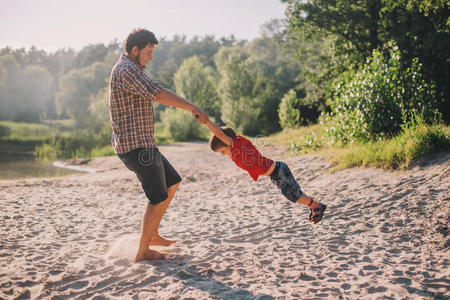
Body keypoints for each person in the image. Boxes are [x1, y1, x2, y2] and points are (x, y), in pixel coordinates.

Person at [109, 28, 207, 262]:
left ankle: (152, 235)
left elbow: (159, 90)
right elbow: (158, 93)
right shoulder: (126, 70)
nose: (151, 56)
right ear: (135, 50)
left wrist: (190, 105)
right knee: (157, 197)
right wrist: (193, 107)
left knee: (172, 182)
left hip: (143, 144)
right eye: (148, 51)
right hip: (136, 146)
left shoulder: (132, 69)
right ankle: (142, 251)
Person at [198, 117, 327, 223]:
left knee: (294, 195)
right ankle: (313, 204)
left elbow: (220, 134)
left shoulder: (236, 145)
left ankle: (316, 206)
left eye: (222, 151)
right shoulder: (235, 150)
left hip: (278, 171)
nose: (222, 154)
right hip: (275, 173)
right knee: (292, 194)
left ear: (226, 142)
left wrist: (207, 122)